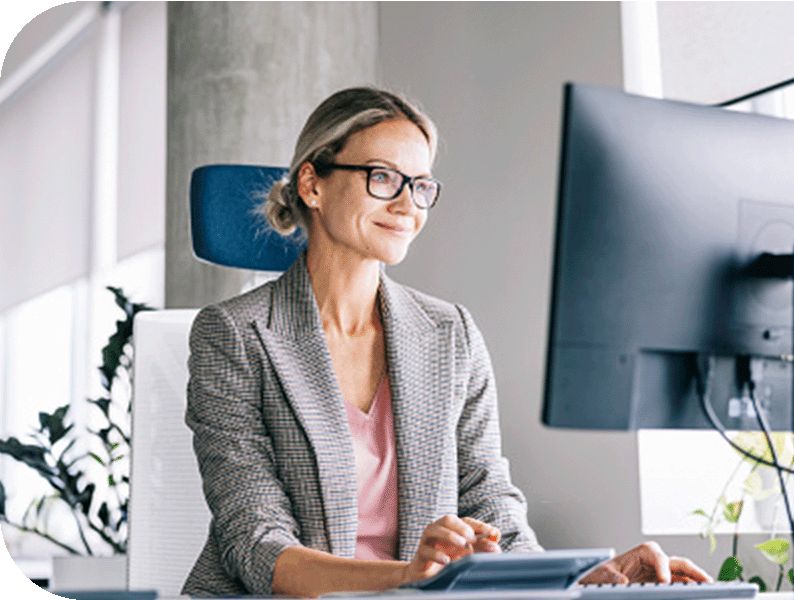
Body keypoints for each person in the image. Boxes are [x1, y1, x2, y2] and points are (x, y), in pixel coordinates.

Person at [181, 87, 711, 597]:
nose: (408, 204)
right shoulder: (235, 336)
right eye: (382, 177)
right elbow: (255, 543)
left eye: (421, 185)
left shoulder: (449, 333)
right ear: (312, 184)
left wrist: (591, 577)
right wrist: (412, 577)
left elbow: (489, 502)